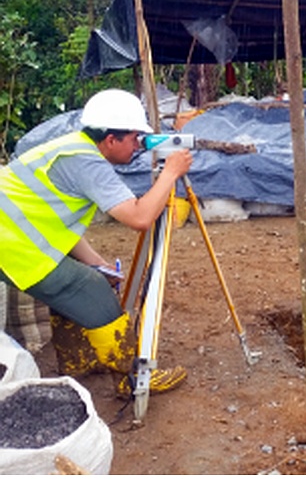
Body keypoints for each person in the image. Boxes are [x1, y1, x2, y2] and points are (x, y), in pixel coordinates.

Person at [0, 89, 193, 395]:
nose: (137, 148)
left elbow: (59, 228)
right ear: (110, 139)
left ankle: (79, 360)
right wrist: (170, 173)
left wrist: (96, 262)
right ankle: (131, 378)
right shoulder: (87, 162)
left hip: (14, 239)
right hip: (13, 246)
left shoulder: (73, 148)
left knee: (83, 279)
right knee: (91, 289)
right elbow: (139, 217)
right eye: (133, 138)